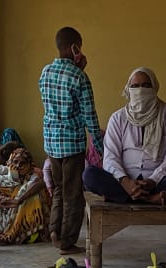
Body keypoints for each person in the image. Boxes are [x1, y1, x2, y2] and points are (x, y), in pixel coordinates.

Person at [83, 67, 166, 204]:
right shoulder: (118, 118)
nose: (140, 90)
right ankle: (150, 199)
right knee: (89, 175)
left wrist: (153, 180)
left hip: (157, 182)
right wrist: (126, 181)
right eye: (135, 86)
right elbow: (111, 157)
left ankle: (123, 197)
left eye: (146, 85)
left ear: (155, 87)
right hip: (124, 181)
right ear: (128, 90)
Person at [40, 26, 102, 256]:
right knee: (73, 193)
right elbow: (90, 117)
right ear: (74, 47)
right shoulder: (80, 77)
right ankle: (67, 241)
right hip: (73, 144)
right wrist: (99, 144)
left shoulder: (45, 72)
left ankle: (54, 231)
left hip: (52, 143)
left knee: (58, 190)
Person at [0, 147, 50, 246]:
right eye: (15, 162)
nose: (17, 166)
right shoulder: (4, 178)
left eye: (22, 163)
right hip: (4, 217)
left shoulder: (32, 177)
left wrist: (19, 200)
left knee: (31, 193)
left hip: (23, 225)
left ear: (29, 165)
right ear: (10, 162)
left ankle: (10, 236)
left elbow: (40, 183)